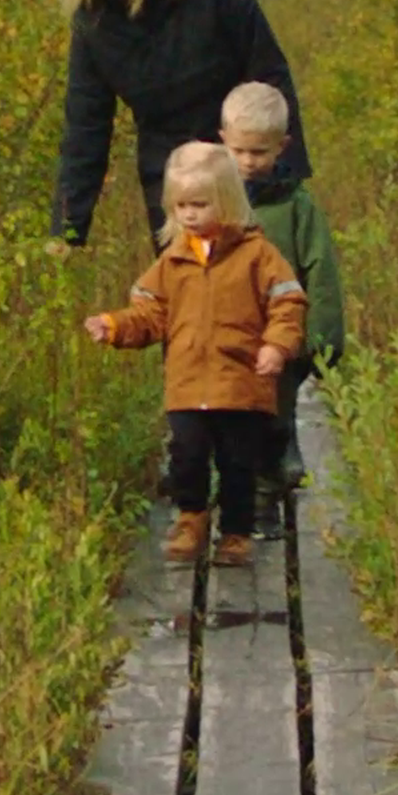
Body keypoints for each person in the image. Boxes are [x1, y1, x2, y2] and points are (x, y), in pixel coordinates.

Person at [80, 141, 308, 568]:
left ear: (226, 202)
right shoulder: (174, 260)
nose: (189, 214)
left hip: (239, 381)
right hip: (187, 382)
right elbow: (151, 313)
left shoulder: (257, 255)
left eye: (200, 204)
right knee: (186, 453)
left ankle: (236, 532)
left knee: (238, 462)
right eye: (181, 205)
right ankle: (191, 517)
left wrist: (277, 345)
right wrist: (114, 326)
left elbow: (288, 301)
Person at [51, 0, 310, 248]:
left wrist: (283, 176)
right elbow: (85, 130)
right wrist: (67, 230)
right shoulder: (92, 23)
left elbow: (268, 70)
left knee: (260, 291)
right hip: (172, 180)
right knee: (188, 297)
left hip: (242, 166)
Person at [218, 80, 342, 543]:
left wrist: (323, 340)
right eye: (240, 151)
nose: (249, 162)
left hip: (280, 337)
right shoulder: (213, 201)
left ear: (281, 147)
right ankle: (231, 495)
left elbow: (320, 269)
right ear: (222, 142)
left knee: (272, 417)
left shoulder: (296, 206)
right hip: (227, 335)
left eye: (260, 152)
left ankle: (265, 500)